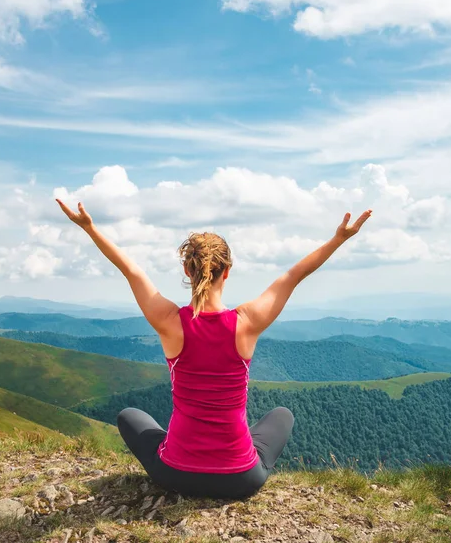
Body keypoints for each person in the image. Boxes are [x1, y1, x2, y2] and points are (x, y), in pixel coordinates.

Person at [57, 197, 372, 499]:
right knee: (282, 415)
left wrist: (90, 228)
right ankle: (233, 448)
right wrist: (338, 239)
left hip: (175, 474)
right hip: (241, 478)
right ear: (228, 271)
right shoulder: (246, 322)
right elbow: (293, 276)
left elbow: (132, 271)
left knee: (129, 415)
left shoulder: (169, 320)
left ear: (186, 272)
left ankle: (184, 446)